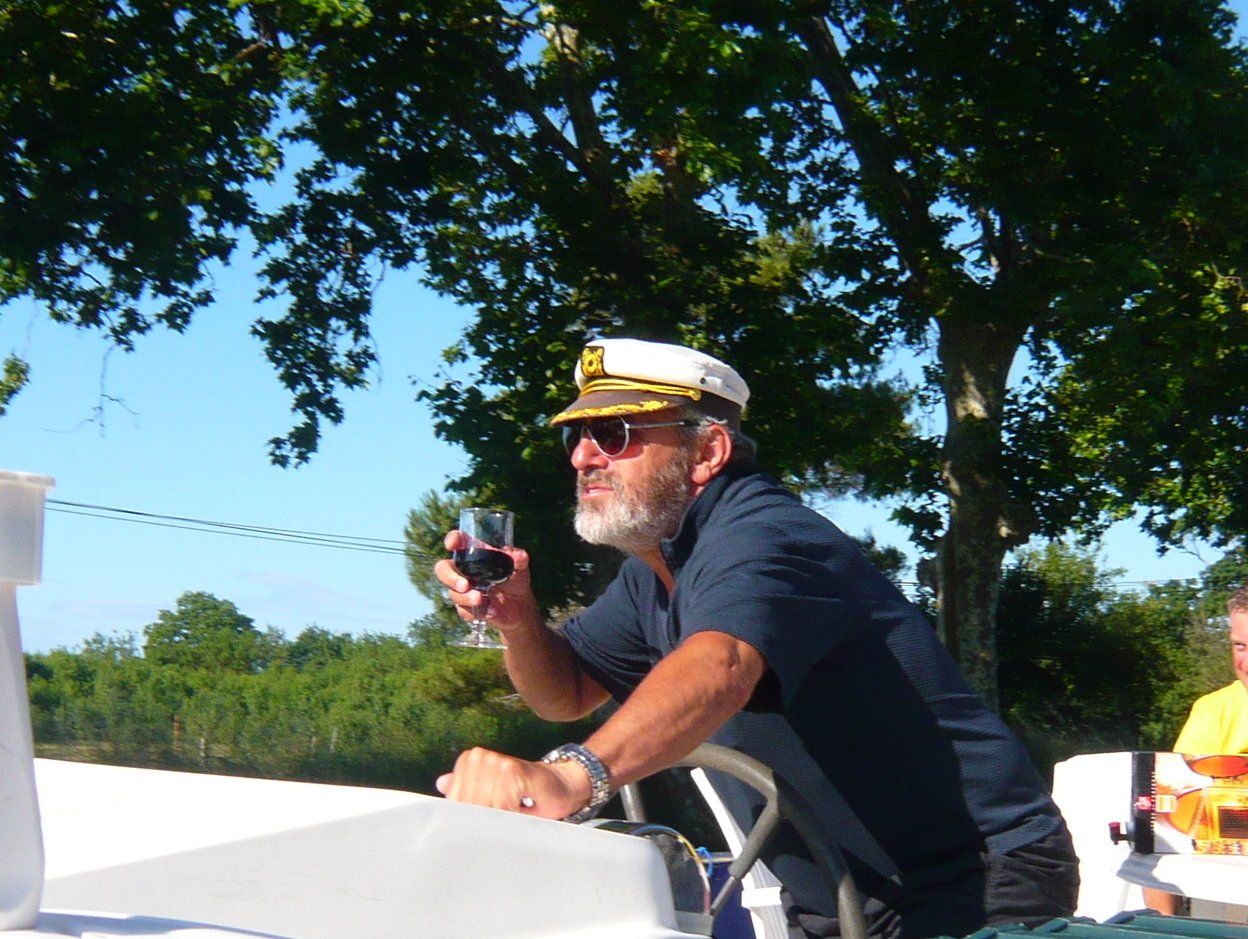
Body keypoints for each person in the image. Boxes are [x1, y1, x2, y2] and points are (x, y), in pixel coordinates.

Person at [434, 337, 1079, 939]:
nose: (582, 457)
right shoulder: (655, 571)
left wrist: (573, 778)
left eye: (614, 434)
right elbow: (566, 694)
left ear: (707, 452)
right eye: (576, 436)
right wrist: (519, 621)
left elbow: (722, 666)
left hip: (973, 878)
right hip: (838, 896)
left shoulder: (766, 536)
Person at [1141, 586, 1248, 915]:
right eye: (1240, 646)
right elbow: (1172, 816)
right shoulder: (1213, 711)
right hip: (1231, 875)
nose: (1246, 662)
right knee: (1149, 835)